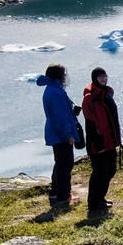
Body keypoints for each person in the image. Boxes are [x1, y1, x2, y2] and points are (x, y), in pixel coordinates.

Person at [81, 66, 121, 217]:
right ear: (94, 79)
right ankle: (93, 204)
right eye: (100, 77)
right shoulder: (90, 97)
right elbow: (90, 121)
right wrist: (98, 142)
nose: (104, 79)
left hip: (109, 140)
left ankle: (100, 199)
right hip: (98, 143)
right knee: (99, 172)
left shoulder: (107, 93)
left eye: (105, 76)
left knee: (110, 170)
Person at [37, 63, 77, 211]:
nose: (65, 76)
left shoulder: (52, 90)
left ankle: (55, 193)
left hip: (55, 133)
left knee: (60, 163)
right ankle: (63, 196)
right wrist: (68, 135)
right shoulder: (55, 92)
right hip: (60, 134)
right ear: (58, 76)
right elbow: (60, 117)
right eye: (63, 74)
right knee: (65, 164)